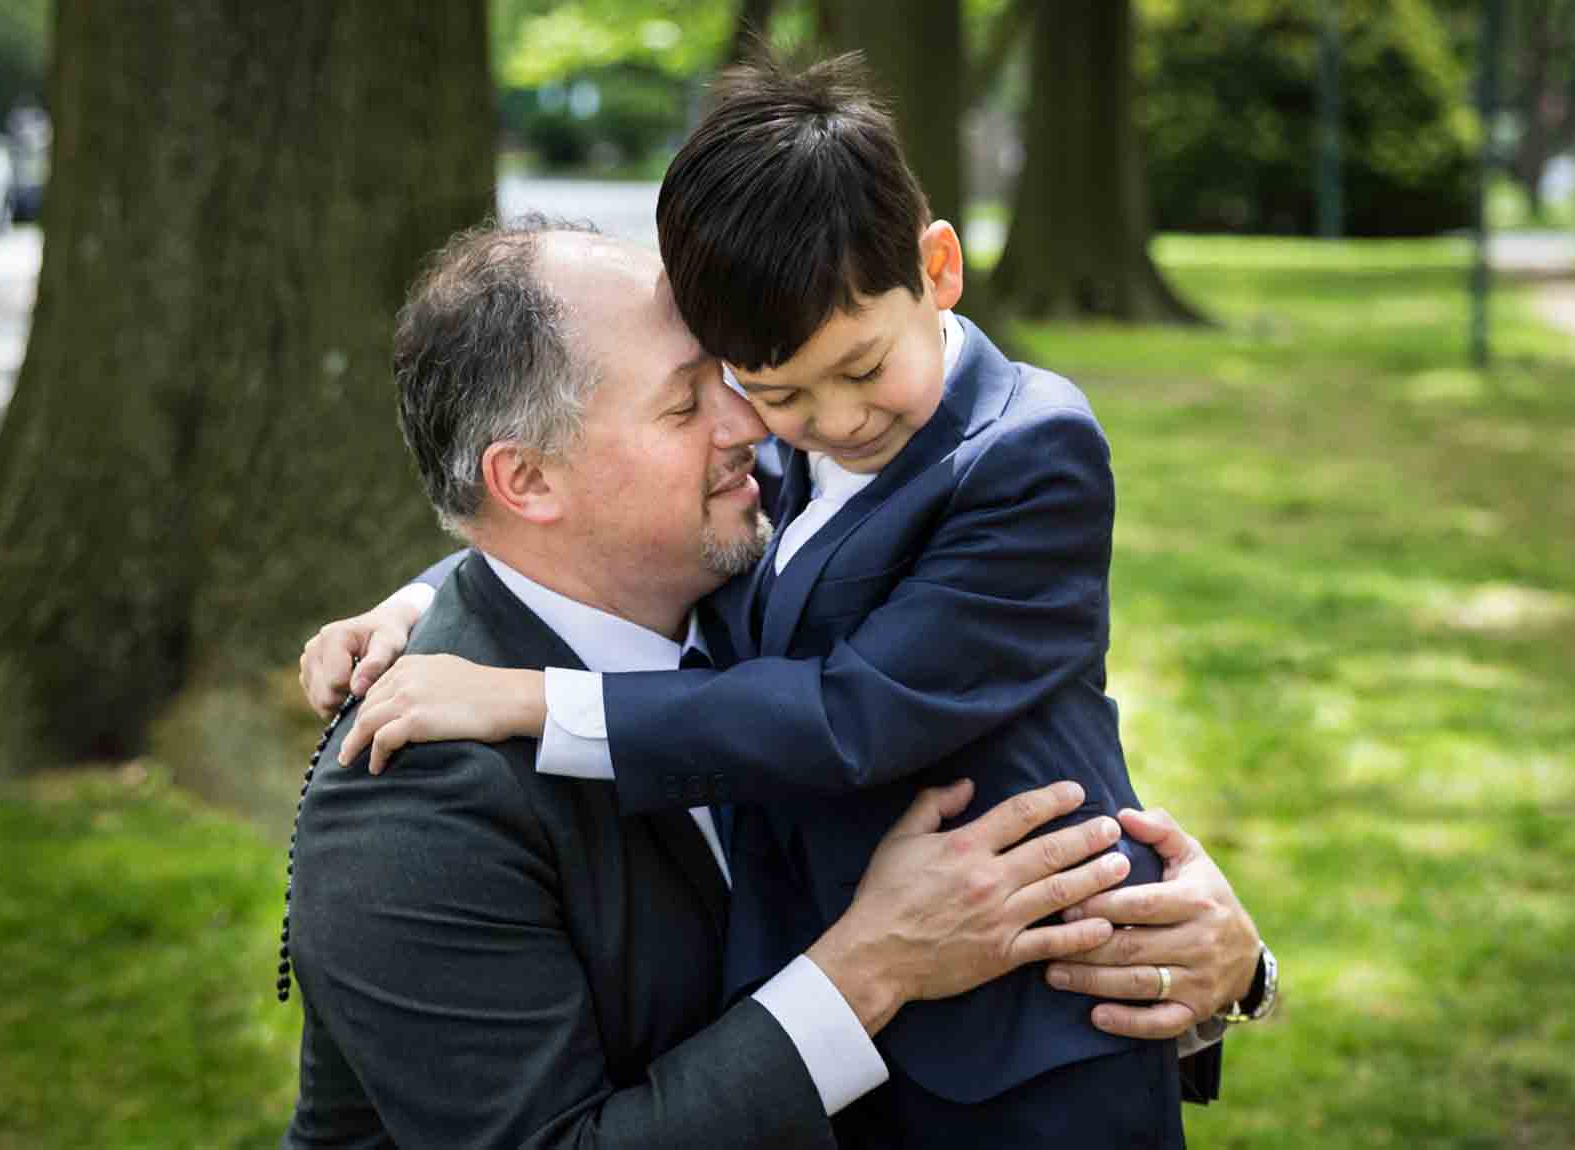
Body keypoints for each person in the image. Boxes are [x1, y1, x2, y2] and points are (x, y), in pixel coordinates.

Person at [312, 57, 1274, 1148]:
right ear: (524, 484)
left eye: (744, 385)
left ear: (938, 270)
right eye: (703, 397)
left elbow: (852, 710)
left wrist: (1242, 971)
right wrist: (418, 599)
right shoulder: (416, 798)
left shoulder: (998, 458)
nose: (764, 428)